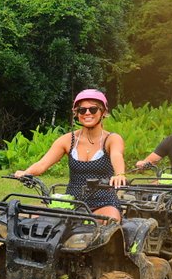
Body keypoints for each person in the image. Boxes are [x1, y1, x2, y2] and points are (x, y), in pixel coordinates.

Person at [14, 89, 127, 217]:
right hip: (71, 202)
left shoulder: (111, 139)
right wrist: (26, 172)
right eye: (82, 110)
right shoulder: (68, 140)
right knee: (38, 223)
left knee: (109, 220)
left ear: (103, 112)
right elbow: (42, 164)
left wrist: (120, 174)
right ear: (77, 114)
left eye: (93, 109)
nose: (87, 113)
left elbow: (117, 155)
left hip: (104, 202)